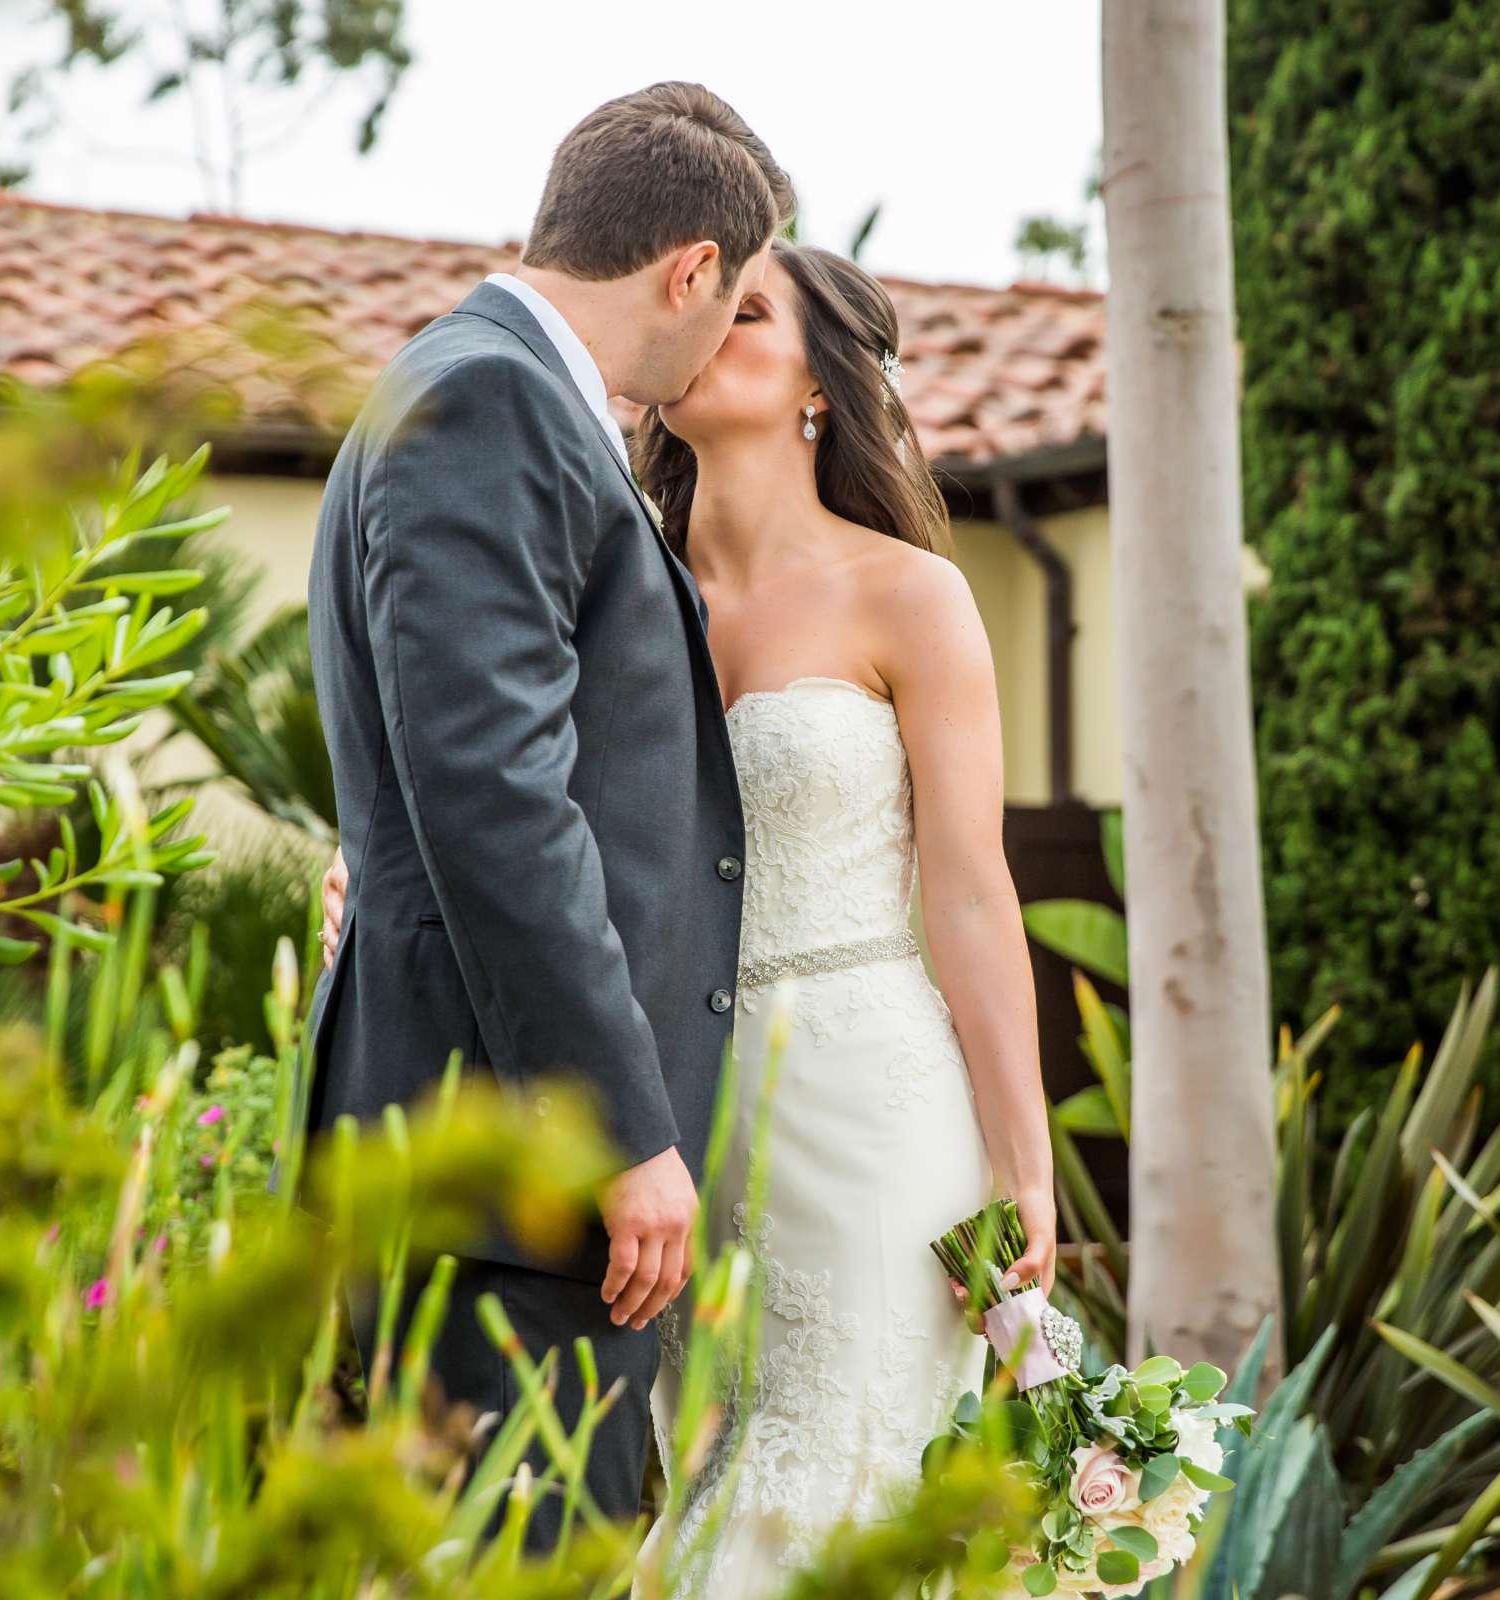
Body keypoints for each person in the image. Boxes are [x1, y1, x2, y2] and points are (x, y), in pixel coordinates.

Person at [319, 235, 1058, 1590]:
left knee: (850, 1450)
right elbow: (502, 793)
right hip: (665, 1101)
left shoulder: (913, 595)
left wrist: (1025, 1163)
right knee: (686, 1460)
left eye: (752, 309)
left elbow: (966, 886)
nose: (711, 323)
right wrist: (380, 865)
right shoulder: (613, 577)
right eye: (711, 300)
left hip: (867, 1095)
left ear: (821, 386)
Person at [294, 81, 793, 1549]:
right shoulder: (495, 399)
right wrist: (621, 1132)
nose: (723, 337)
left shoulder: (482, 387)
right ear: (691, 267)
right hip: (504, 1173)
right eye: (739, 297)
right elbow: (493, 791)